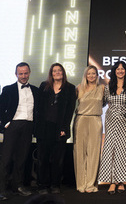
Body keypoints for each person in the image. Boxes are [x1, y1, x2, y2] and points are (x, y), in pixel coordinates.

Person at [0, 62, 40, 199]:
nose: (23, 76)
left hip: (28, 126)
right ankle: (2, 189)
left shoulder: (35, 90)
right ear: (16, 74)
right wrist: (5, 124)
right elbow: (1, 108)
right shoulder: (8, 89)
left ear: (29, 73)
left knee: (21, 159)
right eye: (21, 73)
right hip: (13, 125)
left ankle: (18, 186)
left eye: (25, 73)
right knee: (6, 159)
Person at [36, 63, 76, 194]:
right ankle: (42, 185)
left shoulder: (70, 88)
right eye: (54, 71)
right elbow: (38, 107)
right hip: (44, 128)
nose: (57, 72)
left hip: (60, 129)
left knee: (57, 159)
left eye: (60, 70)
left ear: (63, 73)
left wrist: (65, 127)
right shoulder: (44, 86)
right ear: (51, 73)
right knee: (43, 158)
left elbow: (70, 110)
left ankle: (55, 185)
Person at [98, 61, 126, 194]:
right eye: (117, 69)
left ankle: (121, 181)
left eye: (122, 69)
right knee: (109, 151)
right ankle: (112, 181)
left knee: (122, 152)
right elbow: (101, 103)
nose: (120, 71)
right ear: (114, 71)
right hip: (111, 121)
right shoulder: (108, 87)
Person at [73, 65, 105, 193]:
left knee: (94, 153)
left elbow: (106, 102)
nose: (91, 76)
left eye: (94, 73)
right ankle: (81, 184)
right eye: (89, 73)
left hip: (96, 120)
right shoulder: (78, 88)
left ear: (97, 75)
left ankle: (91, 184)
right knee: (79, 152)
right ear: (85, 75)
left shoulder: (102, 88)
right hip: (81, 120)